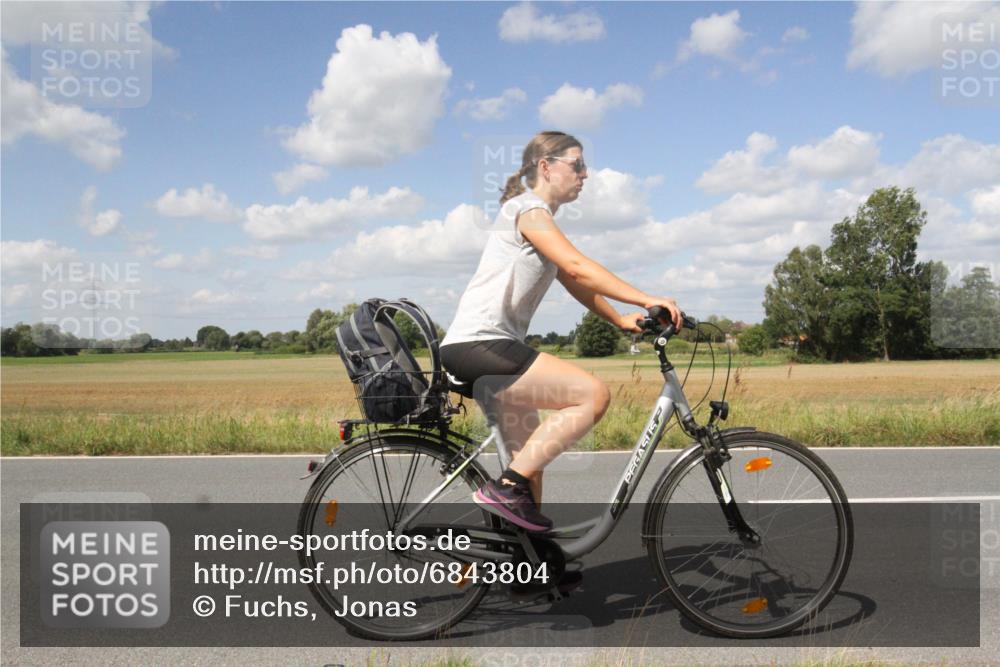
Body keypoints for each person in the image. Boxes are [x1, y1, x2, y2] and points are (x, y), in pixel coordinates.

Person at [440, 130, 682, 535]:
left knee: (529, 463)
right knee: (592, 394)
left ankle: (530, 569)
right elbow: (576, 266)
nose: (585, 173)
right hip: (480, 344)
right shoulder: (527, 209)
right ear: (546, 166)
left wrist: (621, 320)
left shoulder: (538, 217)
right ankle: (505, 489)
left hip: (481, 347)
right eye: (578, 164)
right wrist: (644, 299)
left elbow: (575, 283)